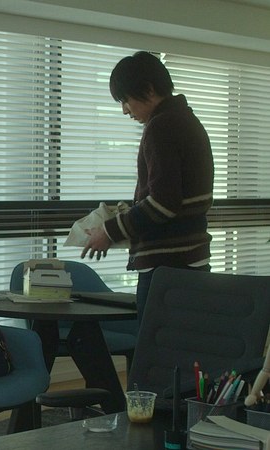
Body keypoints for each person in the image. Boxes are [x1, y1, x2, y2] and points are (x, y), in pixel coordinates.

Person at [81, 51, 214, 322]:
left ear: (149, 90)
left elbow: (163, 203)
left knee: (155, 347)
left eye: (126, 100)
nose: (125, 110)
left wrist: (109, 231)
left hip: (167, 267)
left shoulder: (161, 127)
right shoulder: (187, 120)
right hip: (191, 262)